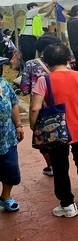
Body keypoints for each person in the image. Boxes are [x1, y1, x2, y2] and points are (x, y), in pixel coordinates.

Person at [29, 43, 78, 218]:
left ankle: (67, 204)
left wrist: (33, 125)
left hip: (57, 130)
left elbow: (35, 108)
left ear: (47, 61)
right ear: (68, 59)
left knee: (60, 166)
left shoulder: (45, 80)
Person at [19, 34, 62, 176]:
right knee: (61, 135)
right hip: (61, 107)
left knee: (41, 139)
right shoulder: (63, 63)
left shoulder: (31, 64)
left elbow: (24, 89)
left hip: (41, 109)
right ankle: (60, 164)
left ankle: (51, 165)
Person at [0, 76, 24, 212]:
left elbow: (14, 103)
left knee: (10, 166)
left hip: (7, 135)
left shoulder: (4, 83)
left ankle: (5, 196)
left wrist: (19, 125)